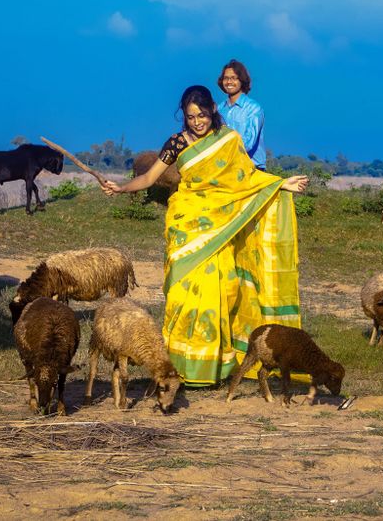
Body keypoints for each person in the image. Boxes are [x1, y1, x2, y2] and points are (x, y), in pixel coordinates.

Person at [101, 85, 308, 386]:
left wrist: (280, 185)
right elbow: (149, 177)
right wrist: (120, 187)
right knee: (184, 294)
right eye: (190, 117)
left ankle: (214, 368)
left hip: (219, 227)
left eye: (202, 115)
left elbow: (246, 178)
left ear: (213, 109)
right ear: (183, 117)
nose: (197, 122)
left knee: (220, 291)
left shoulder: (228, 140)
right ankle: (179, 365)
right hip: (187, 225)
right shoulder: (176, 143)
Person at [217, 59, 266, 170]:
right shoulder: (219, 109)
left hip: (252, 168)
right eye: (226, 78)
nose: (229, 82)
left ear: (242, 80)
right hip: (225, 167)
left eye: (234, 78)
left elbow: (248, 143)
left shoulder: (253, 109)